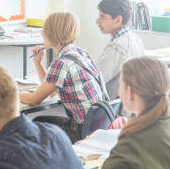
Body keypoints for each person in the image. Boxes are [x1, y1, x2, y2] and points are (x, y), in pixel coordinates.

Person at [19, 12, 108, 142]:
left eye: (45, 30)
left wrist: (10, 92)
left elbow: (34, 100)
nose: (42, 33)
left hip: (80, 130)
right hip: (98, 126)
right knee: (42, 121)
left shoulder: (62, 63)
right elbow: (52, 90)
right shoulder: (80, 53)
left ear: (53, 33)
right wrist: (38, 63)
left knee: (37, 124)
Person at [95, 0, 145, 99]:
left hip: (109, 108)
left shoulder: (117, 47)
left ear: (118, 20)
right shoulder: (135, 38)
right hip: (126, 106)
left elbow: (95, 79)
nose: (97, 21)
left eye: (102, 17)